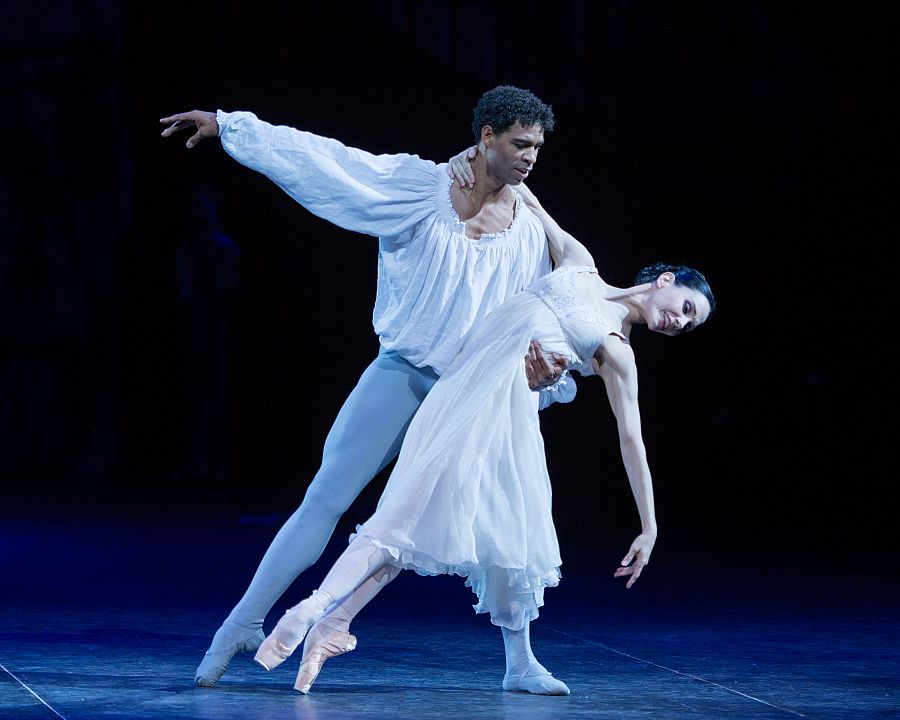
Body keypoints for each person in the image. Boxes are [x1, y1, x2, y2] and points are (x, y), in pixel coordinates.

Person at [159, 86, 578, 694]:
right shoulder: (418, 188)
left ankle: (520, 662)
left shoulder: (529, 227)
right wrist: (231, 128)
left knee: (507, 519)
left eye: (537, 147)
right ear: (486, 135)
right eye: (520, 143)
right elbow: (327, 161)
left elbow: (542, 310)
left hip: (472, 393)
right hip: (404, 372)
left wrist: (549, 369)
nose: (530, 156)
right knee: (325, 498)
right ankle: (242, 623)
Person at [249, 180, 716, 694]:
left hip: (506, 423)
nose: (679, 323)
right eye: (686, 307)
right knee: (411, 516)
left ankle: (494, 658)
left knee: (499, 535)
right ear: (665, 280)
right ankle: (320, 611)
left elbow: (633, 440)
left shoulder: (618, 354)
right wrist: (488, 165)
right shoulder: (579, 262)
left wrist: (649, 526)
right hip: (461, 394)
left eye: (687, 326)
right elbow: (530, 200)